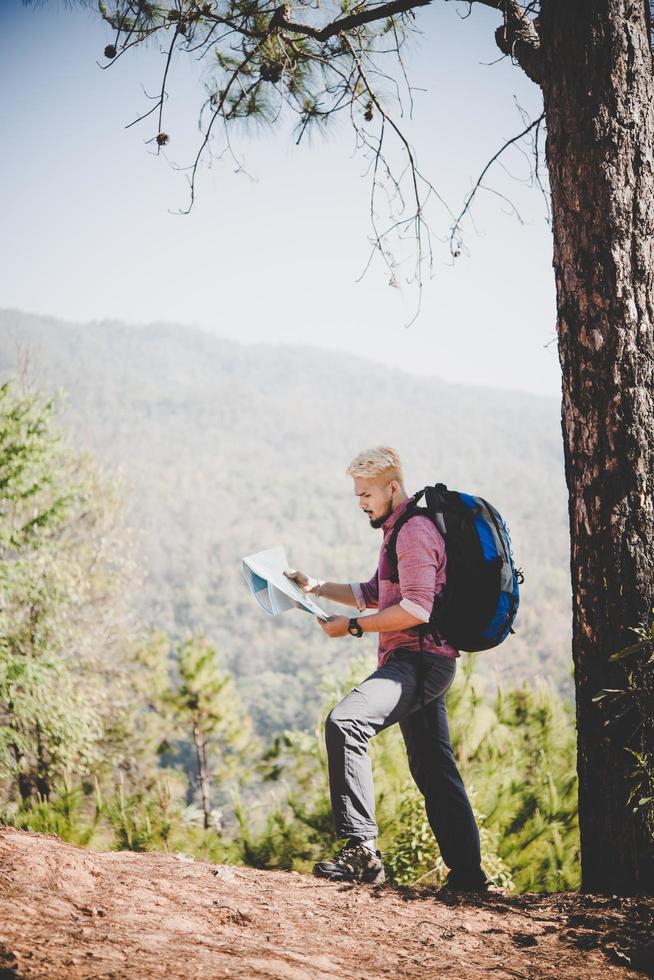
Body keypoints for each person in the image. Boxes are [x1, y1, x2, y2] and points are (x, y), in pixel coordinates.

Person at [285, 447, 487, 891]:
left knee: (346, 722)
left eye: (367, 494)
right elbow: (379, 590)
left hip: (418, 659)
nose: (361, 503)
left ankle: (363, 852)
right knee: (434, 767)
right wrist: (316, 586)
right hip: (422, 659)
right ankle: (469, 876)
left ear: (393, 488)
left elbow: (415, 608)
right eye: (357, 494)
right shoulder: (399, 528)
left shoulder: (413, 531)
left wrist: (352, 628)